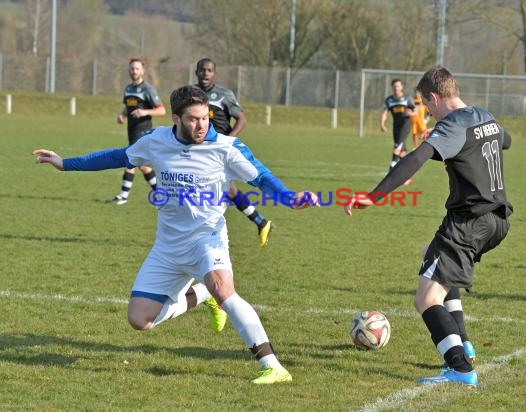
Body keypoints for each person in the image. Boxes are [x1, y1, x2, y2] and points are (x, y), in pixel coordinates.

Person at [33, 85, 320, 384]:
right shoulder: (155, 141)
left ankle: (271, 365)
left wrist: (290, 198)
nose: (201, 125)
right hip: (167, 247)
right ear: (176, 119)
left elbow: (261, 177)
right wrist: (65, 163)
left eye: (205, 117)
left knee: (225, 289)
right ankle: (202, 293)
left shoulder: (226, 148)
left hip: (207, 238)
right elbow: (119, 157)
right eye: (193, 119)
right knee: (140, 320)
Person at [344, 66, 513, 387]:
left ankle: (461, 368)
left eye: (426, 104)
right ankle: (463, 342)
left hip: (468, 220)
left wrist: (374, 196)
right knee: (432, 257)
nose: (426, 111)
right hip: (499, 221)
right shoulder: (483, 115)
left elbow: (413, 160)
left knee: (425, 298)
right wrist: (443, 145)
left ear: (435, 97)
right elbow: (505, 141)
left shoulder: (452, 124)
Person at [195, 58, 273, 247]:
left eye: (209, 70)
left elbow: (242, 119)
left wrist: (228, 140)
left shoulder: (223, 95)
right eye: (202, 70)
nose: (205, 73)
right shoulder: (192, 94)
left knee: (215, 189)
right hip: (199, 151)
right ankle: (261, 222)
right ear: (197, 72)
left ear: (215, 73)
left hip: (219, 152)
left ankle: (206, 234)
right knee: (228, 191)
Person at [109, 58, 166, 205]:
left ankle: (123, 196)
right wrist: (123, 114)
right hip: (132, 131)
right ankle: (161, 194)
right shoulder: (128, 89)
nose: (134, 71)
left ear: (142, 71)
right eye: (132, 68)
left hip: (143, 132)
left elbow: (162, 110)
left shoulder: (148, 89)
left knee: (130, 161)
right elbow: (128, 107)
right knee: (143, 166)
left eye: (137, 68)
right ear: (129, 70)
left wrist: (144, 112)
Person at [380, 79, 416, 178]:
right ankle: (408, 175)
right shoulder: (389, 100)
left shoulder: (407, 98)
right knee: (402, 152)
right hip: (396, 126)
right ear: (392, 87)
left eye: (398, 86)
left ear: (402, 87)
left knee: (396, 148)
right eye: (395, 86)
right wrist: (382, 124)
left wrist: (411, 113)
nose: (396, 88)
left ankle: (390, 174)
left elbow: (415, 111)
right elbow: (385, 112)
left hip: (405, 125)